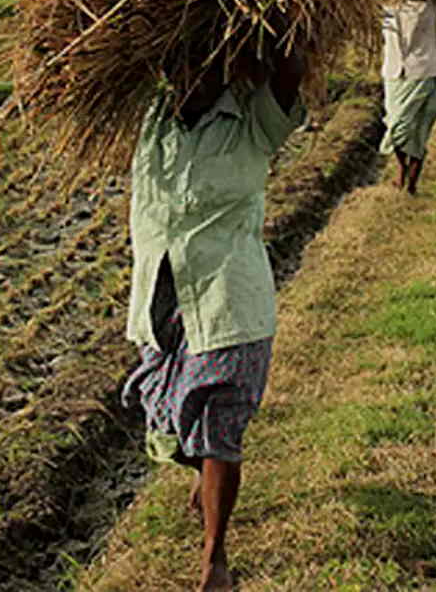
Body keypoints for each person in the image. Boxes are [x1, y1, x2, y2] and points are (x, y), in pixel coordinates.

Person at [122, 47, 304, 592]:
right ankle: (205, 472)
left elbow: (291, 70)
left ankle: (214, 558)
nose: (190, 79)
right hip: (160, 297)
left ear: (224, 66)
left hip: (228, 299)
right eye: (178, 67)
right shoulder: (152, 119)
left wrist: (270, 27)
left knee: (219, 423)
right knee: (168, 424)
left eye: (202, 67)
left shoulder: (252, 119)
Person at [380, 0, 436, 196]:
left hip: (426, 72)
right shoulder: (386, 3)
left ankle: (411, 183)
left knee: (420, 132)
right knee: (396, 128)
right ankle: (402, 168)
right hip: (395, 74)